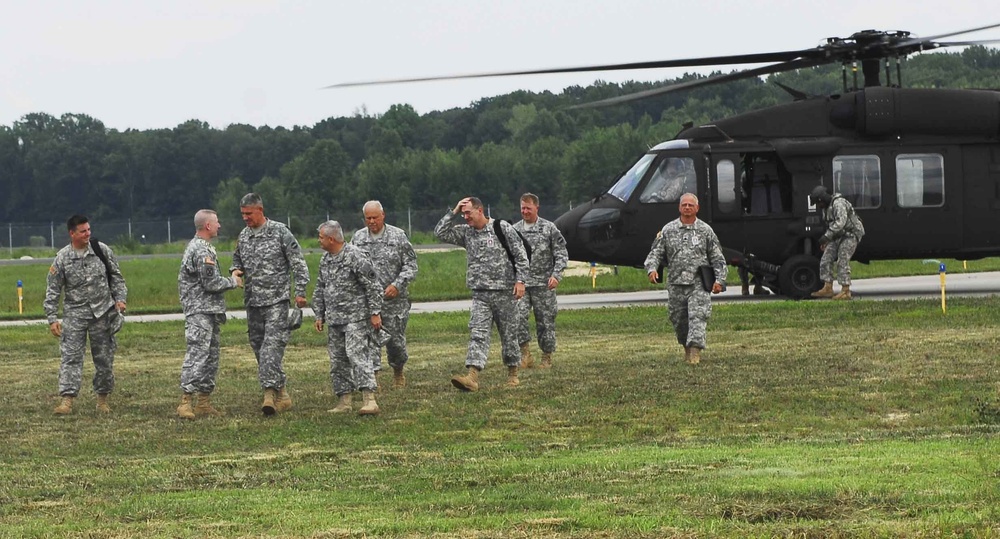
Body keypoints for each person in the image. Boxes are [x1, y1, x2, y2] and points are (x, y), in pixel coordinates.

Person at [434, 196, 529, 391]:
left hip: (505, 292)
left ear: (480, 210)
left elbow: (521, 255)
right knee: (478, 333)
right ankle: (472, 377)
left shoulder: (502, 228)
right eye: (463, 214)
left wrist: (521, 281)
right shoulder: (466, 233)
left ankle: (513, 373)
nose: (466, 217)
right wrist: (453, 212)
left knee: (509, 335)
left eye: (468, 213)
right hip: (480, 294)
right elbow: (440, 232)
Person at [230, 193, 310, 416]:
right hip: (253, 303)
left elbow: (298, 263)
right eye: (242, 214)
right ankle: (282, 392)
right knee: (258, 348)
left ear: (260, 210)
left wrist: (300, 292)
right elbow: (237, 261)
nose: (245, 218)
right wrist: (235, 271)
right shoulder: (244, 236)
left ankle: (268, 396)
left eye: (249, 213)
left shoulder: (279, 232)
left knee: (270, 350)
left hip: (277, 301)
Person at [44, 215, 128, 415]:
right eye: (82, 231)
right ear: (72, 234)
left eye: (89, 230)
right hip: (75, 314)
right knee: (71, 358)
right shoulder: (63, 258)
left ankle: (102, 399)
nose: (87, 234)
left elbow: (116, 276)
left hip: (102, 312)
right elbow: (53, 289)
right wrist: (52, 318)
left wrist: (120, 299)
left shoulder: (101, 250)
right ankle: (67, 400)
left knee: (104, 359)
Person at [644, 193, 727, 365]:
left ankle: (695, 351)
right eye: (684, 205)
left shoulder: (705, 231)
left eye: (691, 205)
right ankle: (687, 348)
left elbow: (717, 257)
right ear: (679, 207)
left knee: (698, 316)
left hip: (698, 283)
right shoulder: (668, 230)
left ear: (697, 208)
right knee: (679, 320)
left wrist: (720, 280)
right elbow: (655, 253)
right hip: (676, 283)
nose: (687, 207)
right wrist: (651, 269)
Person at [176, 210, 243, 419]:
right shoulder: (201, 250)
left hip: (209, 311)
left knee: (211, 357)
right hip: (200, 311)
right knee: (197, 355)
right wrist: (233, 281)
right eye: (216, 222)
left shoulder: (203, 247)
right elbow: (210, 283)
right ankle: (186, 402)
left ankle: (204, 401)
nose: (219, 226)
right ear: (207, 226)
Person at [313, 220, 384, 415]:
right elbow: (321, 287)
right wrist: (319, 313)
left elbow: (373, 285)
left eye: (320, 237)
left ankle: (369, 399)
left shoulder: (355, 256)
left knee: (357, 355)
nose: (318, 241)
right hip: (335, 319)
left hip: (356, 318)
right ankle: (344, 400)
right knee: (338, 360)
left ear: (331, 238)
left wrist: (375, 312)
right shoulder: (325, 259)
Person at [351, 200, 418, 388]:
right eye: (368, 218)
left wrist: (397, 285)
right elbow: (352, 266)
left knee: (396, 343)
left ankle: (398, 371)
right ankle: (373, 380)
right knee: (370, 342)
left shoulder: (398, 236)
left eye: (375, 217)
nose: (371, 221)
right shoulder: (358, 238)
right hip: (368, 302)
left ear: (383, 216)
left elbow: (411, 266)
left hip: (394, 301)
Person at [513, 193, 568, 369]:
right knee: (518, 317)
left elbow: (561, 253)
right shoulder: (514, 230)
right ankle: (525, 354)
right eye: (522, 208)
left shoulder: (549, 228)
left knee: (545, 321)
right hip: (523, 284)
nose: (525, 211)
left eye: (528, 208)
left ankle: (546, 356)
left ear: (537, 207)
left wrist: (556, 275)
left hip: (544, 284)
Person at [810, 185, 865, 300]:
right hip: (837, 236)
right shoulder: (826, 208)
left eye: (818, 203)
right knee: (826, 259)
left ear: (822, 199)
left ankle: (845, 291)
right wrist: (827, 240)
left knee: (842, 260)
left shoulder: (838, 204)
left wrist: (826, 237)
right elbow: (830, 225)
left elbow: (841, 223)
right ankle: (827, 287)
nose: (818, 206)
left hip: (850, 234)